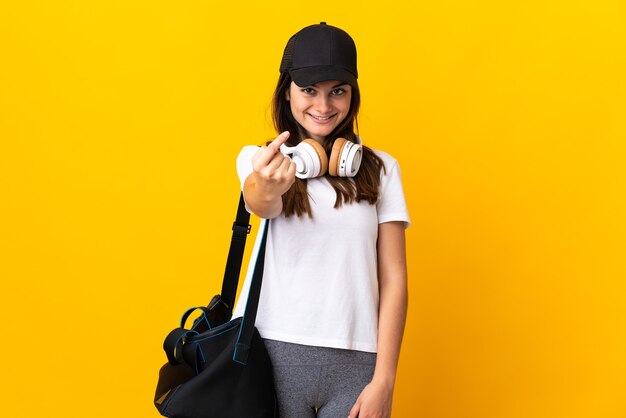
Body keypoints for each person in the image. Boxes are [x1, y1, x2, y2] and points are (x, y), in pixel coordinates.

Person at [233, 22, 410, 418]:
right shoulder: (260, 161)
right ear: (287, 91)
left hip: (356, 366)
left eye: (338, 91)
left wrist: (384, 380)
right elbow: (261, 202)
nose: (323, 106)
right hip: (268, 354)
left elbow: (395, 279)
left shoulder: (383, 170)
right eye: (309, 90)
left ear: (353, 95)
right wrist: (265, 183)